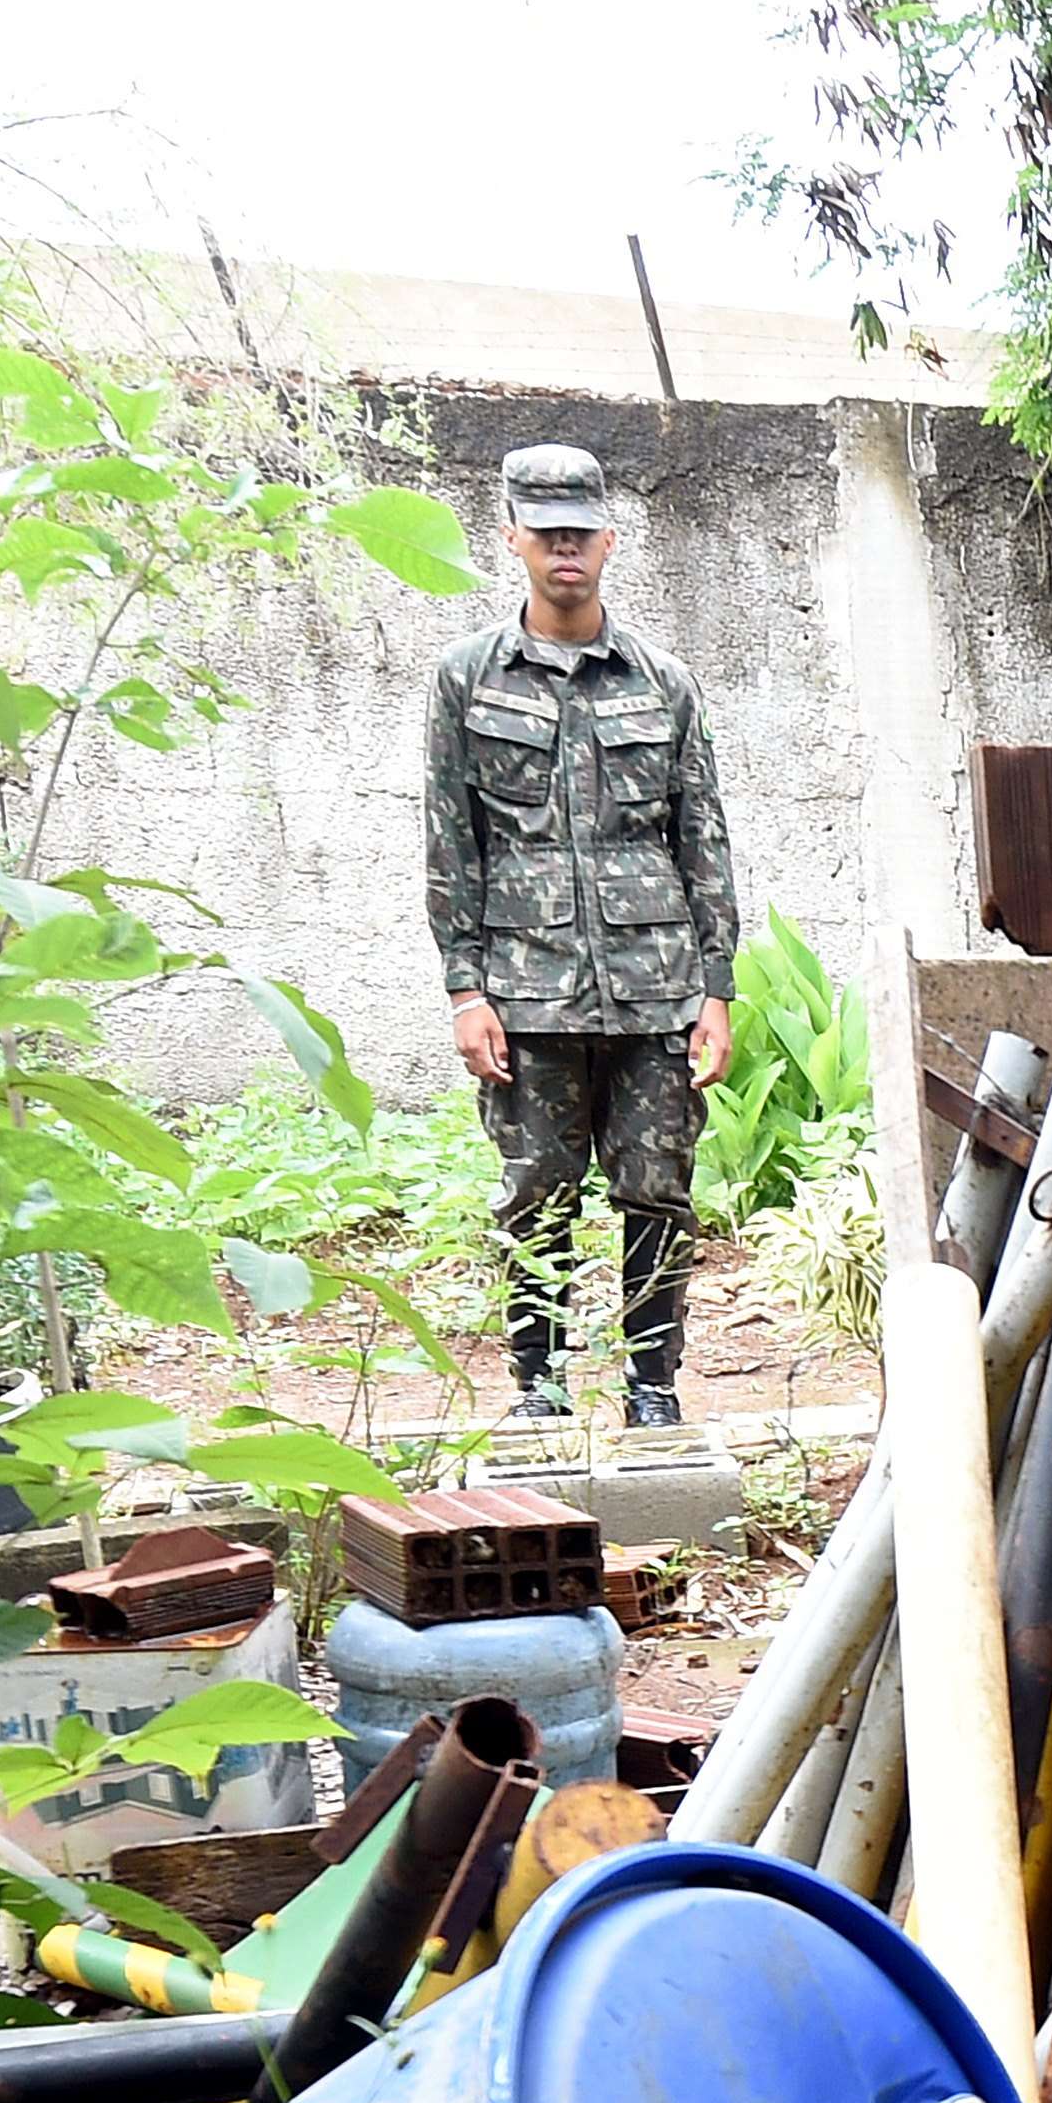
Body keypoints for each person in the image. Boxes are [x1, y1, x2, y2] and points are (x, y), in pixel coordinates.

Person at [422, 441, 737, 1429]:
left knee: (657, 1195)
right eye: (542, 527)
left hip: (656, 994)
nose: (563, 545)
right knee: (536, 1199)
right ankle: (541, 1389)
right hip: (525, 995)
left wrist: (717, 990)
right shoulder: (467, 680)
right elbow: (450, 841)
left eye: (579, 529)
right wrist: (464, 989)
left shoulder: (665, 683)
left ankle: (652, 1390)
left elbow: (704, 838)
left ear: (608, 539)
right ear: (511, 536)